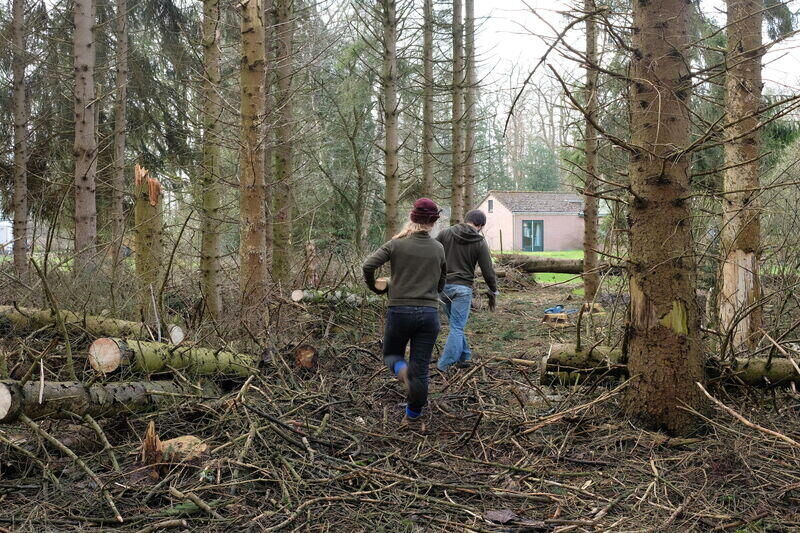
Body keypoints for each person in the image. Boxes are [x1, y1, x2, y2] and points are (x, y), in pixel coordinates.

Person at [363, 198, 447, 425]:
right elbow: (442, 282)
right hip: (429, 314)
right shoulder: (438, 248)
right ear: (432, 223)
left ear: (412, 218)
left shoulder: (396, 244)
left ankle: (401, 371)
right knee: (420, 370)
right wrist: (431, 290)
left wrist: (377, 287)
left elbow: (368, 265)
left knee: (392, 355)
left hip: (400, 311)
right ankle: (412, 416)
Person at [436, 209, 498, 371]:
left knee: (454, 325)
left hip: (442, 288)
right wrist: (493, 289)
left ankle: (465, 356)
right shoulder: (479, 241)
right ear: (481, 226)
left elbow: (431, 254)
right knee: (457, 327)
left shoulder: (445, 234)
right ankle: (444, 364)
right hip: (462, 289)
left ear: (466, 220)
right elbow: (487, 270)